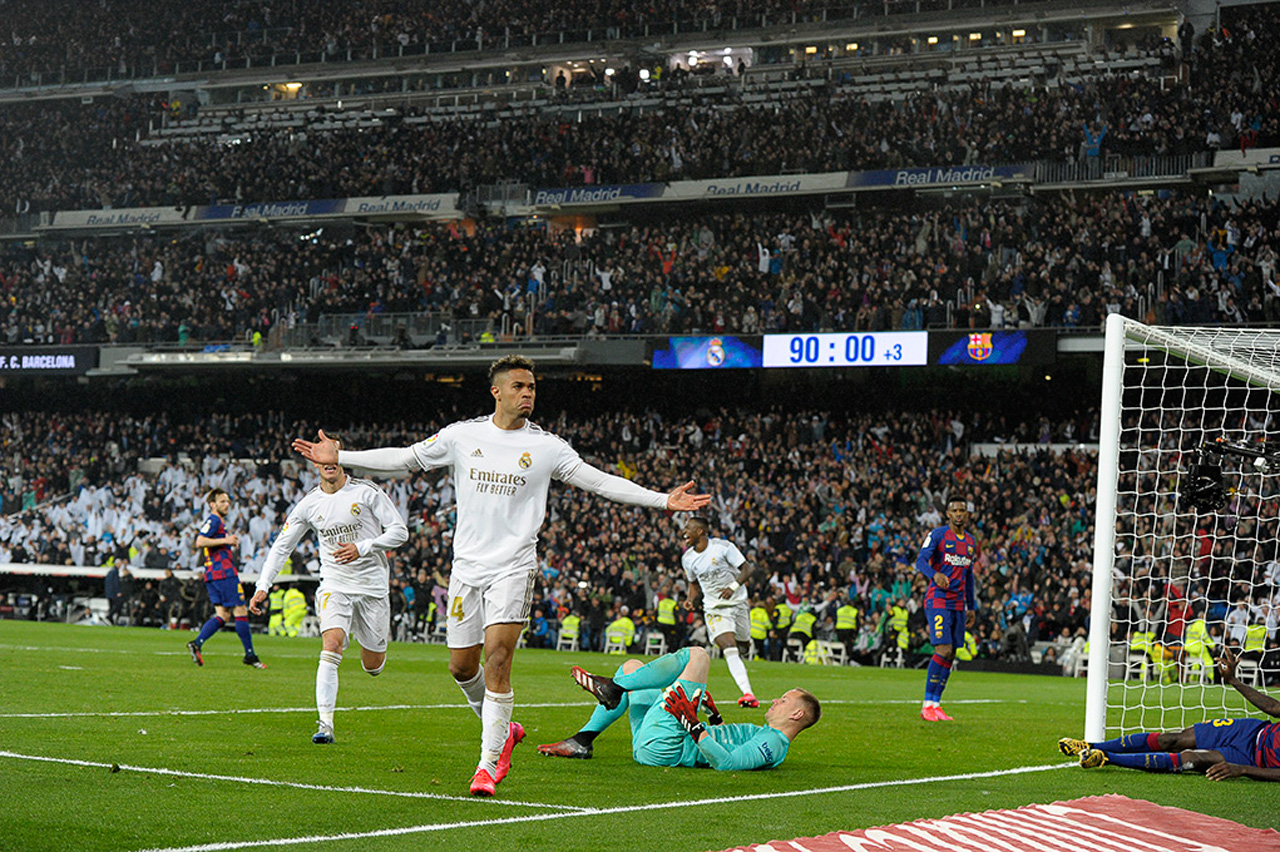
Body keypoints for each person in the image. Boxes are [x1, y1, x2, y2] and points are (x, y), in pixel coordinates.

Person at [291, 354, 710, 796]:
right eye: (518, 387)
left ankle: (487, 766)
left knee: (498, 659)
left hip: (514, 568)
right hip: (466, 569)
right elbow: (407, 458)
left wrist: (662, 500)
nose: (527, 393)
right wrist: (343, 455)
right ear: (496, 392)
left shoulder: (547, 447)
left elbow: (599, 481)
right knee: (460, 666)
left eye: (531, 387)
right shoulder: (462, 436)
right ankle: (505, 730)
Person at [249, 440, 409, 745]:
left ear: (340, 459)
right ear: (316, 465)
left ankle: (370, 653)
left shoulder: (367, 492)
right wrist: (262, 587)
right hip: (335, 584)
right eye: (323, 461)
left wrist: (363, 547)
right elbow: (282, 546)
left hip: (372, 587)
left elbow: (400, 532)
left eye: (333, 457)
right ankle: (325, 724)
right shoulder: (309, 504)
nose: (329, 465)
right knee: (332, 644)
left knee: (372, 665)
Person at [536, 646, 819, 770]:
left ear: (797, 715)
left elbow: (728, 763)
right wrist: (713, 717)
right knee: (632, 667)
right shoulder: (766, 736)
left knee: (698, 656)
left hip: (667, 745)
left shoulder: (773, 743)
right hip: (655, 745)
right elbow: (724, 743)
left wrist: (692, 723)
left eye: (784, 700)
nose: (775, 701)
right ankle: (582, 741)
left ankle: (614, 688)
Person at [1059, 649, 1280, 780]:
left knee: (1191, 760)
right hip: (1251, 732)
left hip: (1252, 760)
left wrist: (1242, 769)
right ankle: (1090, 745)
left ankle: (1105, 758)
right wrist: (1232, 680)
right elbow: (1273, 708)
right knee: (1173, 739)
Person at [679, 515, 759, 707]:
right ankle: (748, 694)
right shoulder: (688, 558)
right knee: (729, 647)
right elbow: (693, 583)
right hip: (714, 608)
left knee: (743, 645)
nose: (684, 533)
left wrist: (732, 587)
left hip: (738, 603)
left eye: (688, 529)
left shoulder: (723, 548)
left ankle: (746, 645)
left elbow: (747, 569)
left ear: (700, 531)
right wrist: (690, 599)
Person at [914, 496, 979, 720]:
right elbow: (921, 561)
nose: (959, 514)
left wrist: (972, 605)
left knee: (951, 654)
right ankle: (926, 704)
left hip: (959, 603)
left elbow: (968, 576)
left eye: (963, 510)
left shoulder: (970, 541)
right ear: (948, 514)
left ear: (967, 514)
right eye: (955, 510)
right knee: (942, 649)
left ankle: (936, 703)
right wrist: (935, 574)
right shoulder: (938, 535)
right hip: (938, 599)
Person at [187, 488, 265, 669]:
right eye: (222, 502)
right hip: (223, 573)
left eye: (228, 501)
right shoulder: (214, 520)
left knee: (223, 614)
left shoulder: (217, 521)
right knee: (240, 611)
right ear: (212, 505)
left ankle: (197, 643)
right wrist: (226, 541)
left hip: (212, 574)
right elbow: (200, 541)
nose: (227, 504)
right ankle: (250, 655)